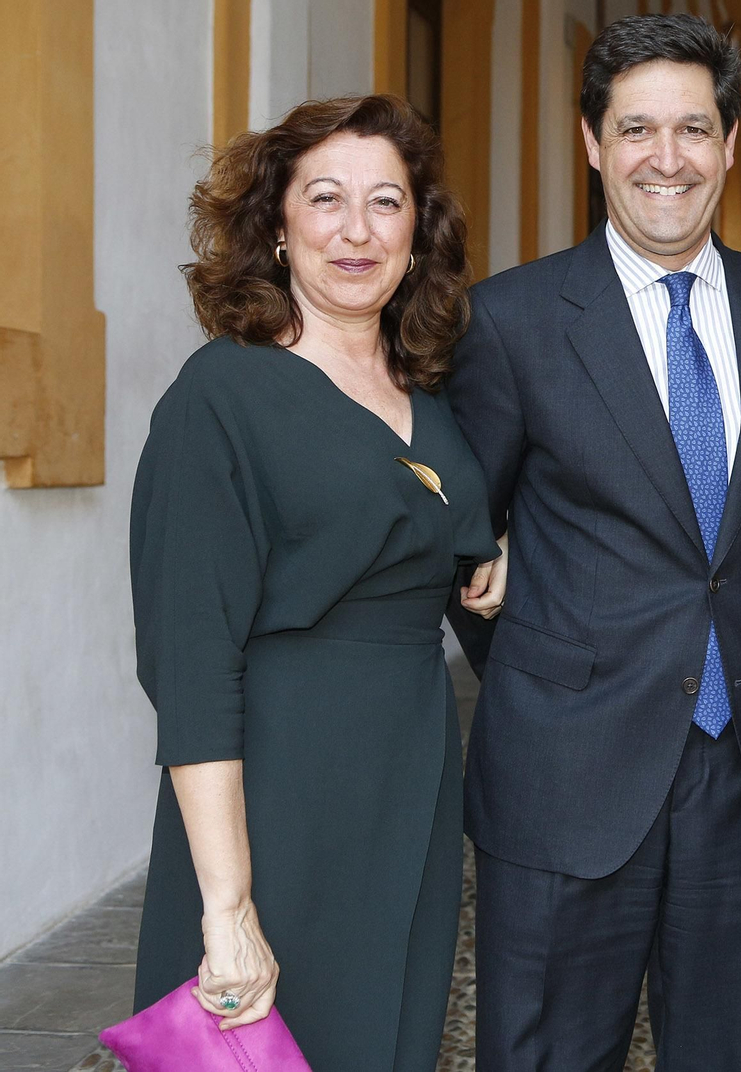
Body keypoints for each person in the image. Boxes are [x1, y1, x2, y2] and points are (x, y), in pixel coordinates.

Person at [443, 14, 741, 1070]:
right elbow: (457, 543)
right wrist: (548, 658)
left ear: (731, 146)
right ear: (591, 143)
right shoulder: (512, 322)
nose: (667, 159)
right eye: (637, 130)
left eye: (693, 130)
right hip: (564, 772)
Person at [129, 95, 501, 1072]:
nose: (355, 228)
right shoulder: (222, 395)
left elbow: (425, 518)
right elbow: (193, 664)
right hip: (278, 788)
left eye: (386, 202)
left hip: (407, 782)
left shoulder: (422, 387)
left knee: (386, 1037)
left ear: (418, 232)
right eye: (325, 197)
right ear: (276, 224)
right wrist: (228, 903)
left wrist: (480, 556)